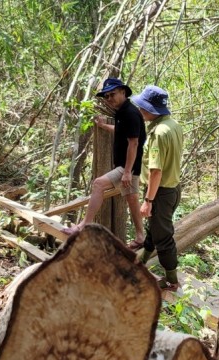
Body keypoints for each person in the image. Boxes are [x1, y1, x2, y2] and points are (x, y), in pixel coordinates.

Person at [62, 78, 147, 248]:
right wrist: (103, 126)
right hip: (127, 166)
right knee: (131, 198)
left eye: (112, 94)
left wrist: (128, 171)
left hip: (127, 166)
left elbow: (134, 143)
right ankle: (140, 236)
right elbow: (122, 130)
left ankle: (83, 226)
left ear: (123, 92)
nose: (109, 99)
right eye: (106, 96)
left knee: (98, 184)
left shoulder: (130, 113)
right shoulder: (123, 112)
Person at [132, 85, 184, 291]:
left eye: (141, 107)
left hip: (160, 192)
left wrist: (148, 201)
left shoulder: (158, 133)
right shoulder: (173, 125)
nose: (139, 110)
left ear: (149, 110)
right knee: (153, 230)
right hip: (172, 188)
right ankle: (140, 261)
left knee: (163, 237)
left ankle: (172, 280)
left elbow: (156, 171)